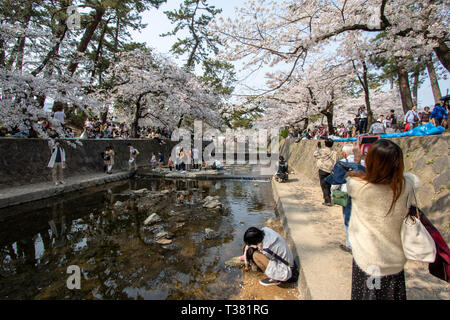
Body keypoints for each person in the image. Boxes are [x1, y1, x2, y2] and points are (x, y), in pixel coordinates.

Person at [346, 139, 420, 300]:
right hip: (394, 258)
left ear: (371, 162)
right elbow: (410, 178)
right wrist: (387, 152)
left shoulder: (359, 187)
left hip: (368, 258)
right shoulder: (407, 186)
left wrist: (358, 159)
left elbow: (352, 176)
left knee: (368, 294)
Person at [327, 145, 366, 253]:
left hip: (347, 193)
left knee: (348, 219)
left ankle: (350, 244)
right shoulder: (364, 162)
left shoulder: (343, 162)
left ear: (345, 153)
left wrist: (333, 192)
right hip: (362, 194)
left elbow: (337, 180)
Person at [313, 138, 337, 206]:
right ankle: (327, 197)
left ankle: (327, 200)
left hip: (323, 170)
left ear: (325, 144)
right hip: (330, 170)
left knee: (324, 185)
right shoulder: (334, 153)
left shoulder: (322, 151)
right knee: (328, 185)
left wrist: (318, 148)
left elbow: (315, 154)